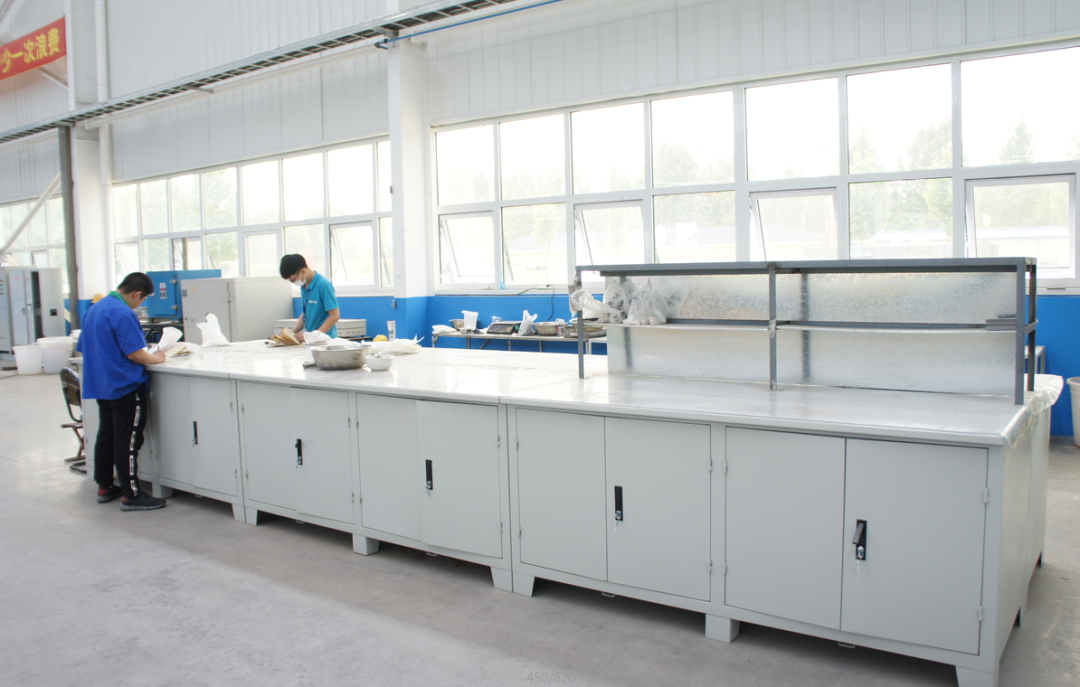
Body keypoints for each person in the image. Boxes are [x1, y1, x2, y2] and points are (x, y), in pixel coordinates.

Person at [76, 272, 168, 511]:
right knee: (127, 441)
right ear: (137, 294)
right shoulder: (123, 312)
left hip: (102, 385)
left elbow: (85, 347)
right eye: (143, 300)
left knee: (106, 435)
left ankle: (105, 486)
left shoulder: (94, 310)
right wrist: (156, 358)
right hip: (125, 385)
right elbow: (135, 354)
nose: (140, 305)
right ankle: (131, 494)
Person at [279, 254, 339, 342]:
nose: (293, 282)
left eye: (293, 280)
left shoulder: (324, 285)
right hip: (311, 341)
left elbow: (334, 316)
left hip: (325, 340)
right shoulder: (304, 286)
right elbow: (305, 313)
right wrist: (291, 334)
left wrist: (313, 335)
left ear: (302, 271)